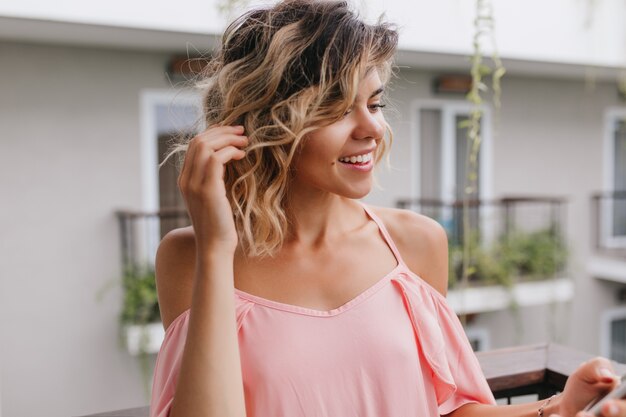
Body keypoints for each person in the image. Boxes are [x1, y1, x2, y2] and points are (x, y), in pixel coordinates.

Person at [149, 1, 626, 416]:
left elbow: (447, 408)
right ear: (266, 122)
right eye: (336, 109)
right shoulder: (191, 258)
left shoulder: (416, 245)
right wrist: (216, 248)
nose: (371, 129)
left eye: (374, 104)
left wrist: (556, 409)